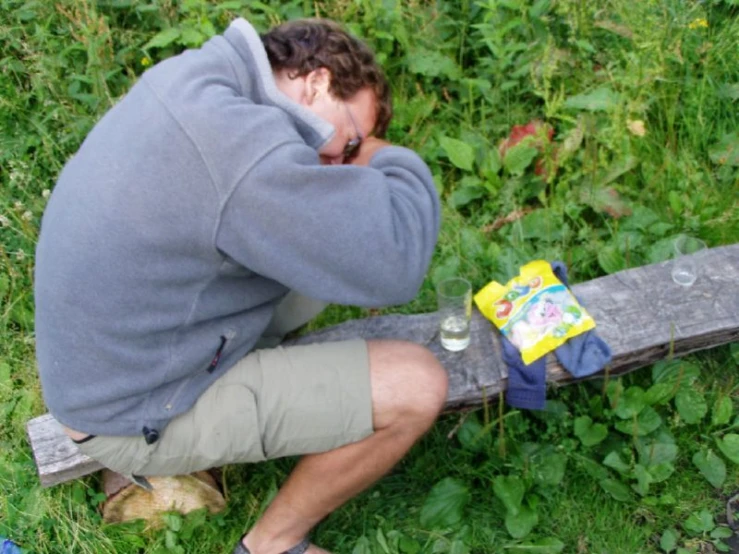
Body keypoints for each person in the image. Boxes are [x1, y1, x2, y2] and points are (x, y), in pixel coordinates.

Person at [34, 16, 446, 554]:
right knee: (417, 386)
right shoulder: (245, 154)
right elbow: (394, 266)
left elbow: (341, 251)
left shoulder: (198, 78)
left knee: (319, 263)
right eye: (349, 141)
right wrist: (386, 156)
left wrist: (346, 145)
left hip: (104, 369)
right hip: (133, 415)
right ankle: (273, 544)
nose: (342, 161)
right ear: (316, 81)